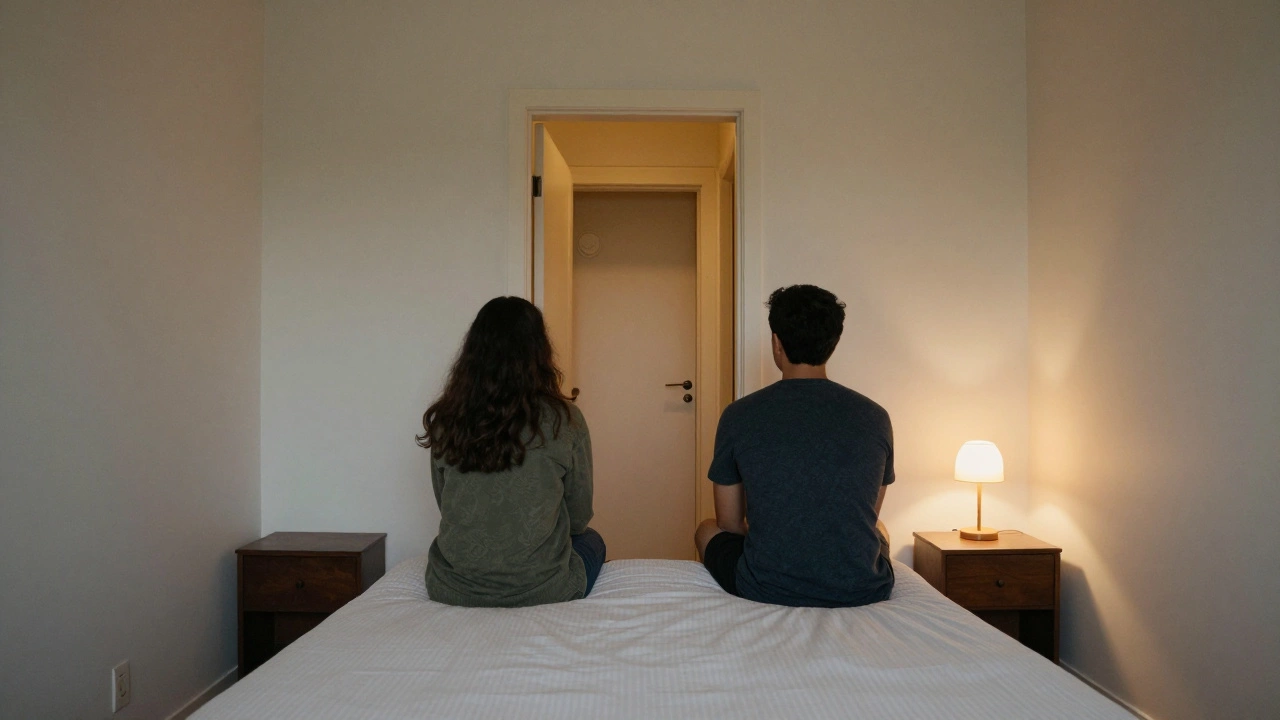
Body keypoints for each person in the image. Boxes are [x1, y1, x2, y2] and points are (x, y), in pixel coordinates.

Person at [694, 284, 894, 608]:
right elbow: (868, 515)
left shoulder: (738, 415)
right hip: (862, 589)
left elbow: (729, 524)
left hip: (766, 588)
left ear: (776, 342)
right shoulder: (876, 417)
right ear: (833, 343)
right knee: (880, 528)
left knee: (706, 529)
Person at [417, 296, 604, 607]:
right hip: (544, 590)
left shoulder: (446, 420)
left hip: (452, 587)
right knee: (592, 540)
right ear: (539, 352)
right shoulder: (565, 420)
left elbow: (446, 502)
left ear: (473, 353)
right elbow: (578, 518)